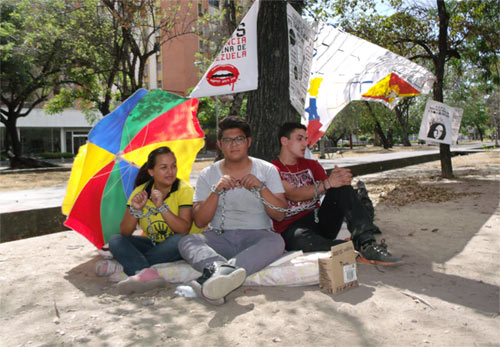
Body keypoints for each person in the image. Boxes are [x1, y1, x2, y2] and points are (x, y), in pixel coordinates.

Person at [178, 116, 287, 305]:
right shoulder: (208, 174)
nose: (233, 145)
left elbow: (280, 213)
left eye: (239, 139)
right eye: (228, 140)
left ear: (249, 142)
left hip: (257, 237)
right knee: (188, 241)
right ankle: (220, 272)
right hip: (220, 237)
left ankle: (217, 277)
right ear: (220, 144)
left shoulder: (267, 170)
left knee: (277, 241)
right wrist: (216, 191)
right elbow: (200, 222)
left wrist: (261, 188)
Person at [271, 122, 402, 265]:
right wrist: (328, 183)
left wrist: (340, 179)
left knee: (342, 189)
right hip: (293, 228)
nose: (305, 143)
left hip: (318, 219)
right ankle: (350, 248)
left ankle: (367, 243)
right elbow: (292, 194)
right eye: (299, 138)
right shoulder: (272, 169)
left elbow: (330, 188)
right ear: (284, 141)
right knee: (300, 241)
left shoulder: (311, 164)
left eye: (306, 139)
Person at [99, 146, 197, 294]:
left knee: (179, 240)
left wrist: (161, 206)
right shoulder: (140, 191)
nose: (170, 172)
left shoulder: (184, 189)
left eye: (173, 166)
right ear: (151, 172)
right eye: (164, 167)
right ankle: (145, 273)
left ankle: (134, 269)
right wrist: (135, 209)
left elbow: (183, 229)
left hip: (177, 244)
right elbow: (125, 231)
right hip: (153, 244)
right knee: (115, 240)